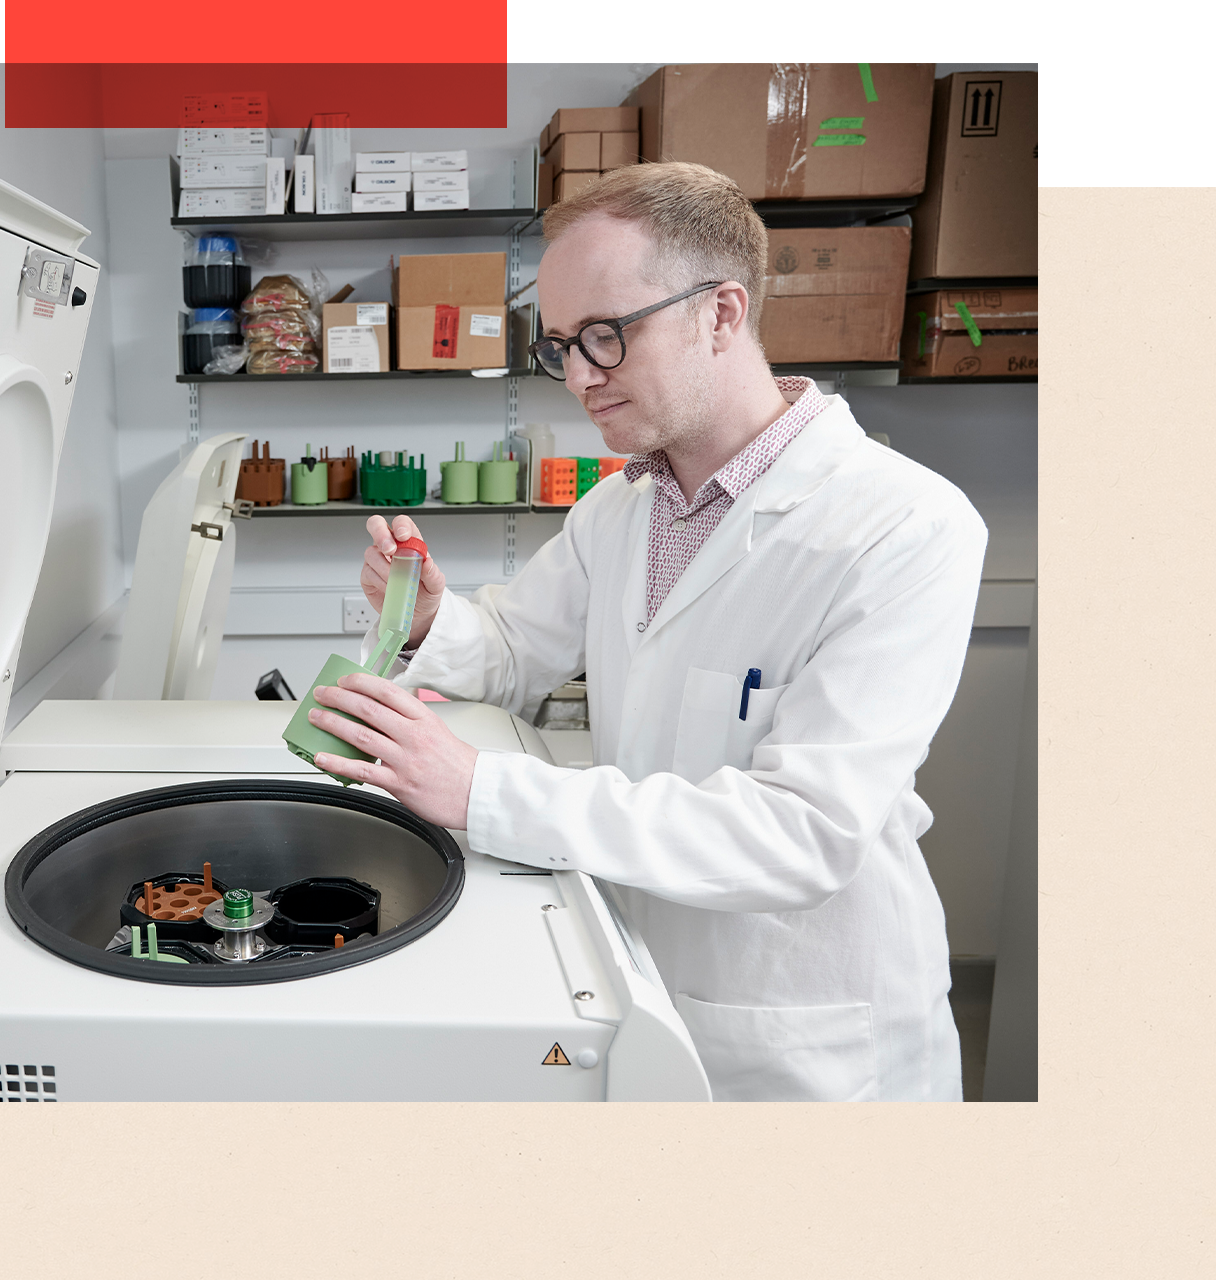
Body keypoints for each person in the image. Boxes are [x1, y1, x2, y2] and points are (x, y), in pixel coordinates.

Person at [305, 162, 988, 1102]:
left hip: (808, 1040)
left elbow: (804, 832)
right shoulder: (623, 508)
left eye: (606, 337)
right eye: (560, 347)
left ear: (720, 313)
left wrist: (482, 790)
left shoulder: (903, 524)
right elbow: (513, 651)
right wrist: (428, 619)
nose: (579, 378)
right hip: (640, 980)